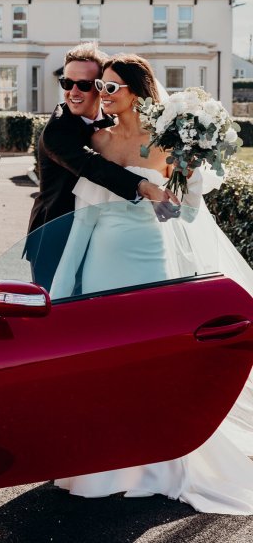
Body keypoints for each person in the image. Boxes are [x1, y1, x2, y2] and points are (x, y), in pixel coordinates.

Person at [51, 53, 253, 515]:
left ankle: (161, 462)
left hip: (152, 264)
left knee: (153, 364)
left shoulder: (167, 143)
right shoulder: (97, 141)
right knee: (106, 364)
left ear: (137, 92)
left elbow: (180, 213)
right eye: (99, 86)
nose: (102, 94)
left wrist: (183, 183)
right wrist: (63, 290)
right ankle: (103, 465)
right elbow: (83, 221)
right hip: (103, 265)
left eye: (111, 87)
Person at [26, 43, 178, 291]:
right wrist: (144, 186)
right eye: (67, 83)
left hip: (101, 240)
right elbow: (93, 166)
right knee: (58, 314)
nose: (73, 92)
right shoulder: (58, 130)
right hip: (56, 236)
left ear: (101, 85)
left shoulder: (110, 122)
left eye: (85, 85)